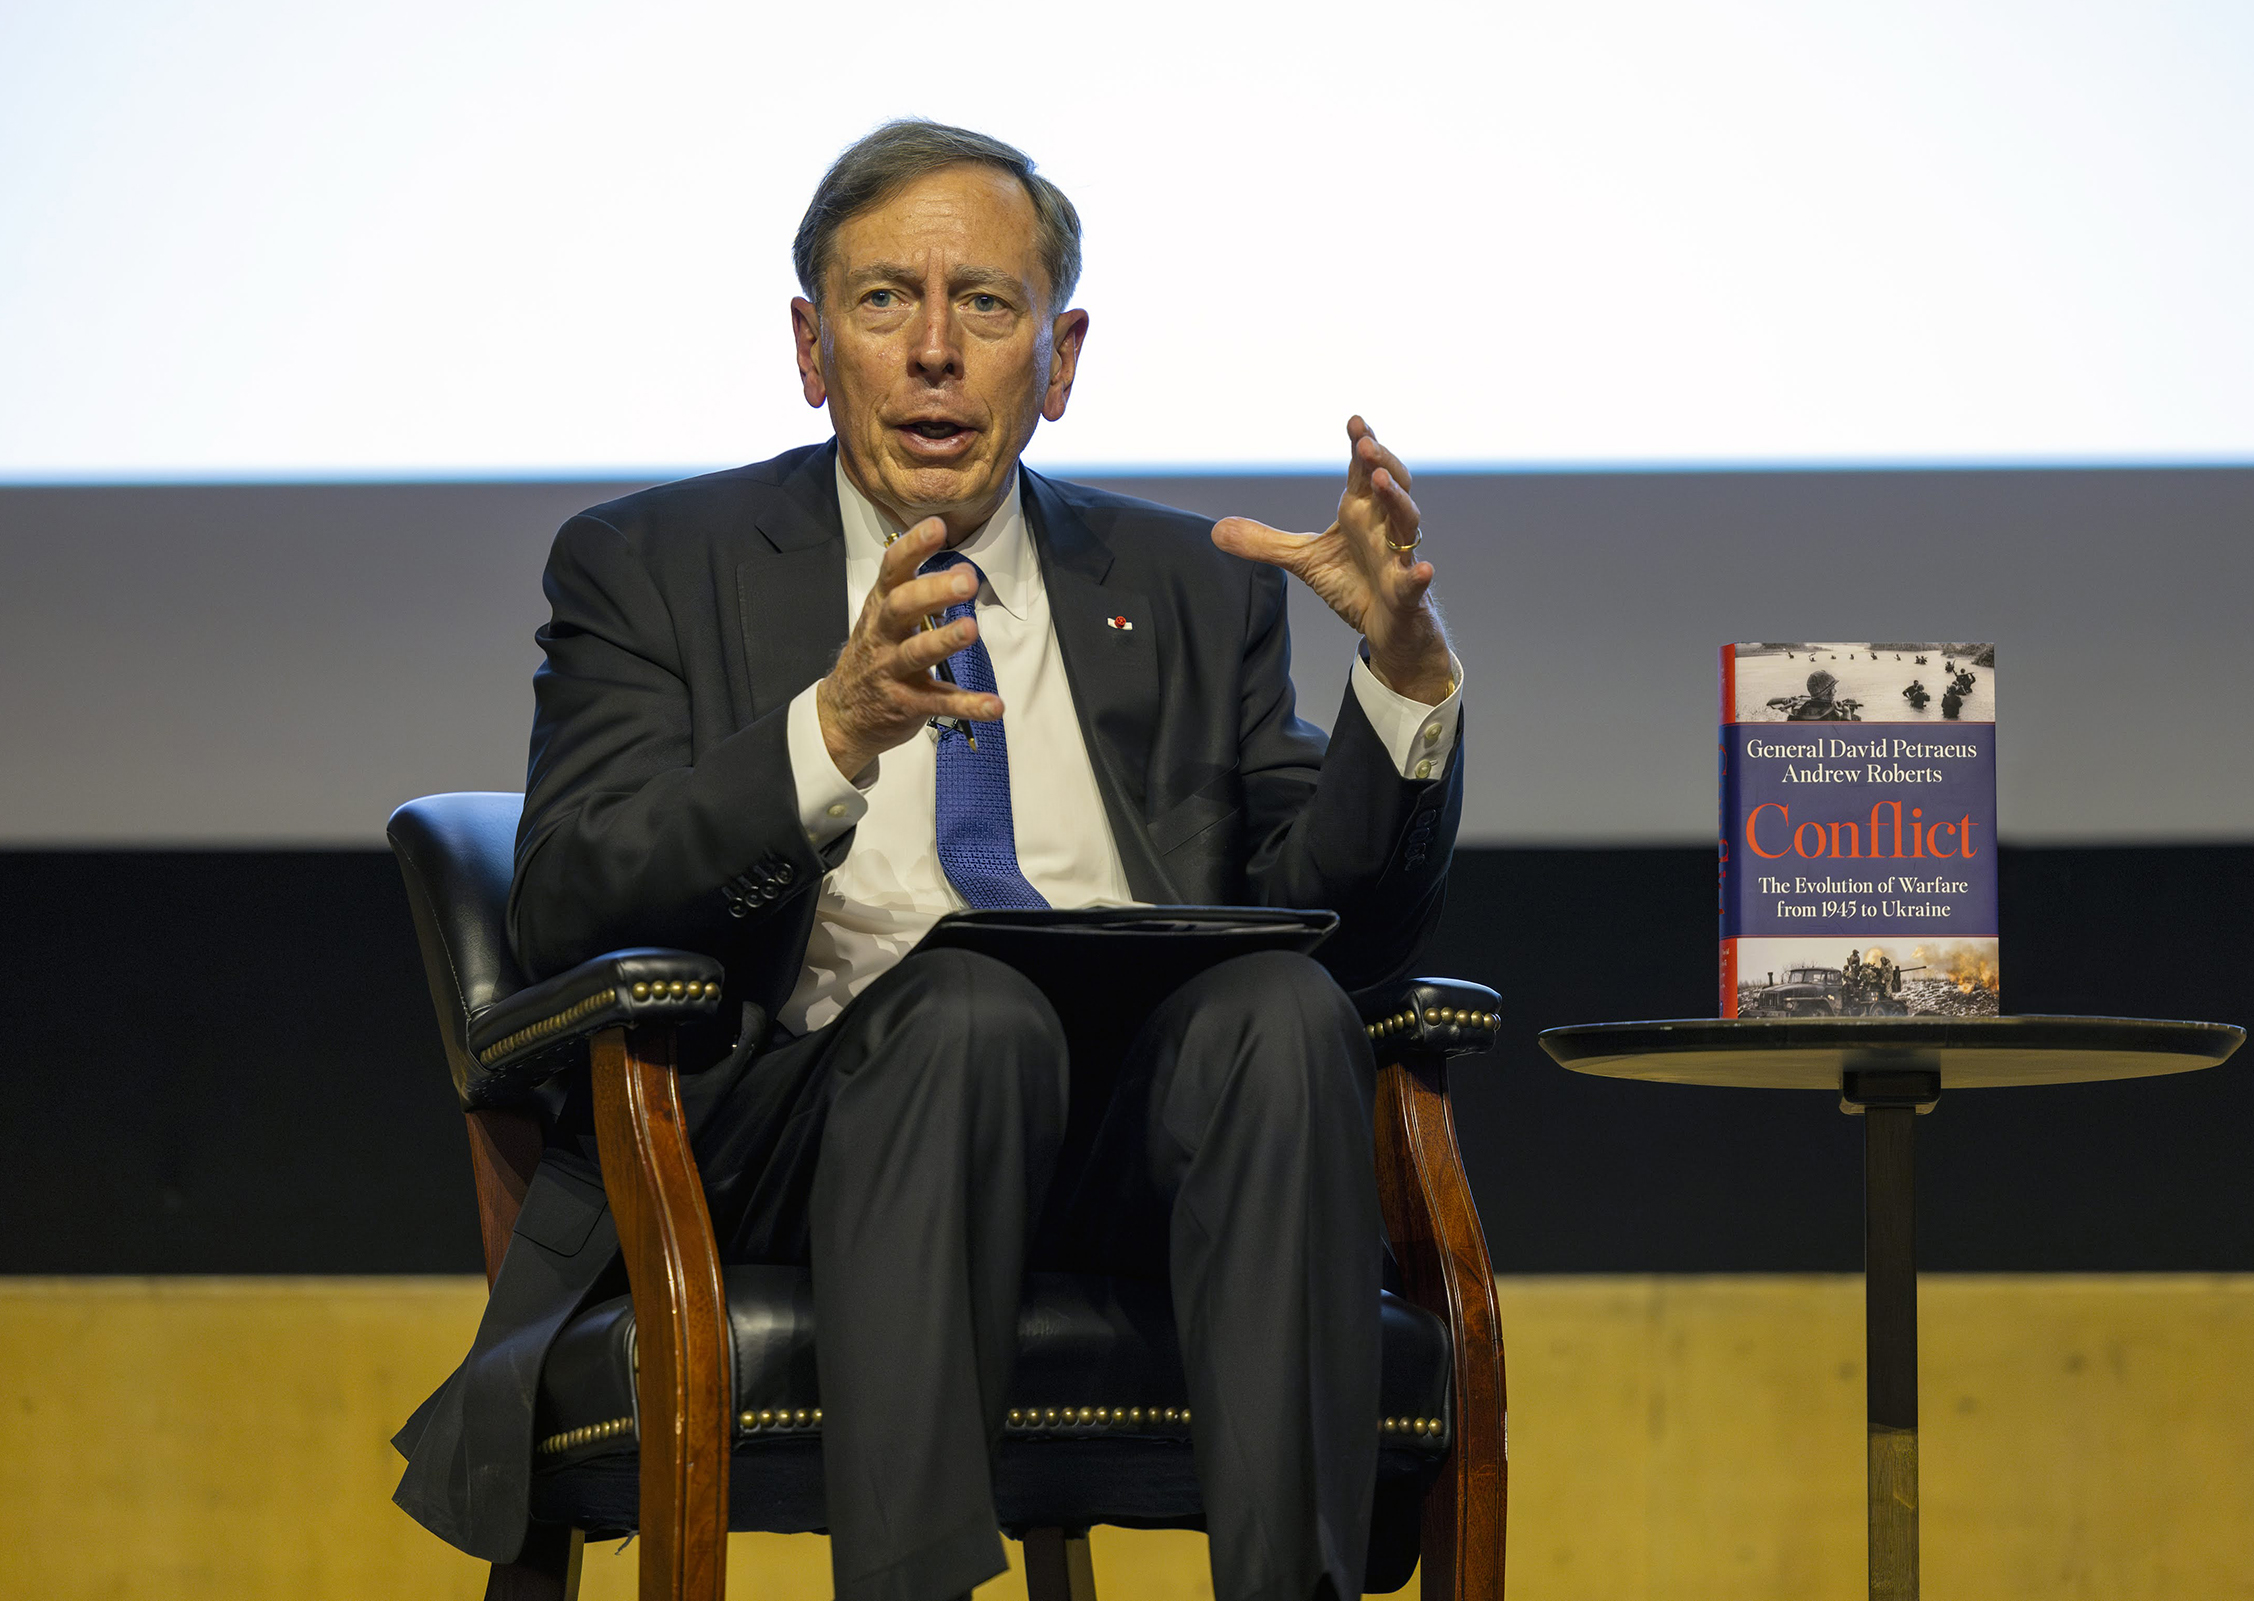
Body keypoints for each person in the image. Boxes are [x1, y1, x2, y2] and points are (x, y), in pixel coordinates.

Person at [390, 121, 1464, 1601]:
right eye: (887, 300)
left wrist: (1398, 682)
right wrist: (828, 734)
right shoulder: (650, 562)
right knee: (972, 1010)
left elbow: (1328, 921)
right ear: (812, 347)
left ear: (1063, 357)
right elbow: (571, 886)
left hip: (1127, 1141)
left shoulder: (1179, 583)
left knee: (1280, 1015)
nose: (937, 351)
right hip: (794, 1127)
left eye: (989, 304)